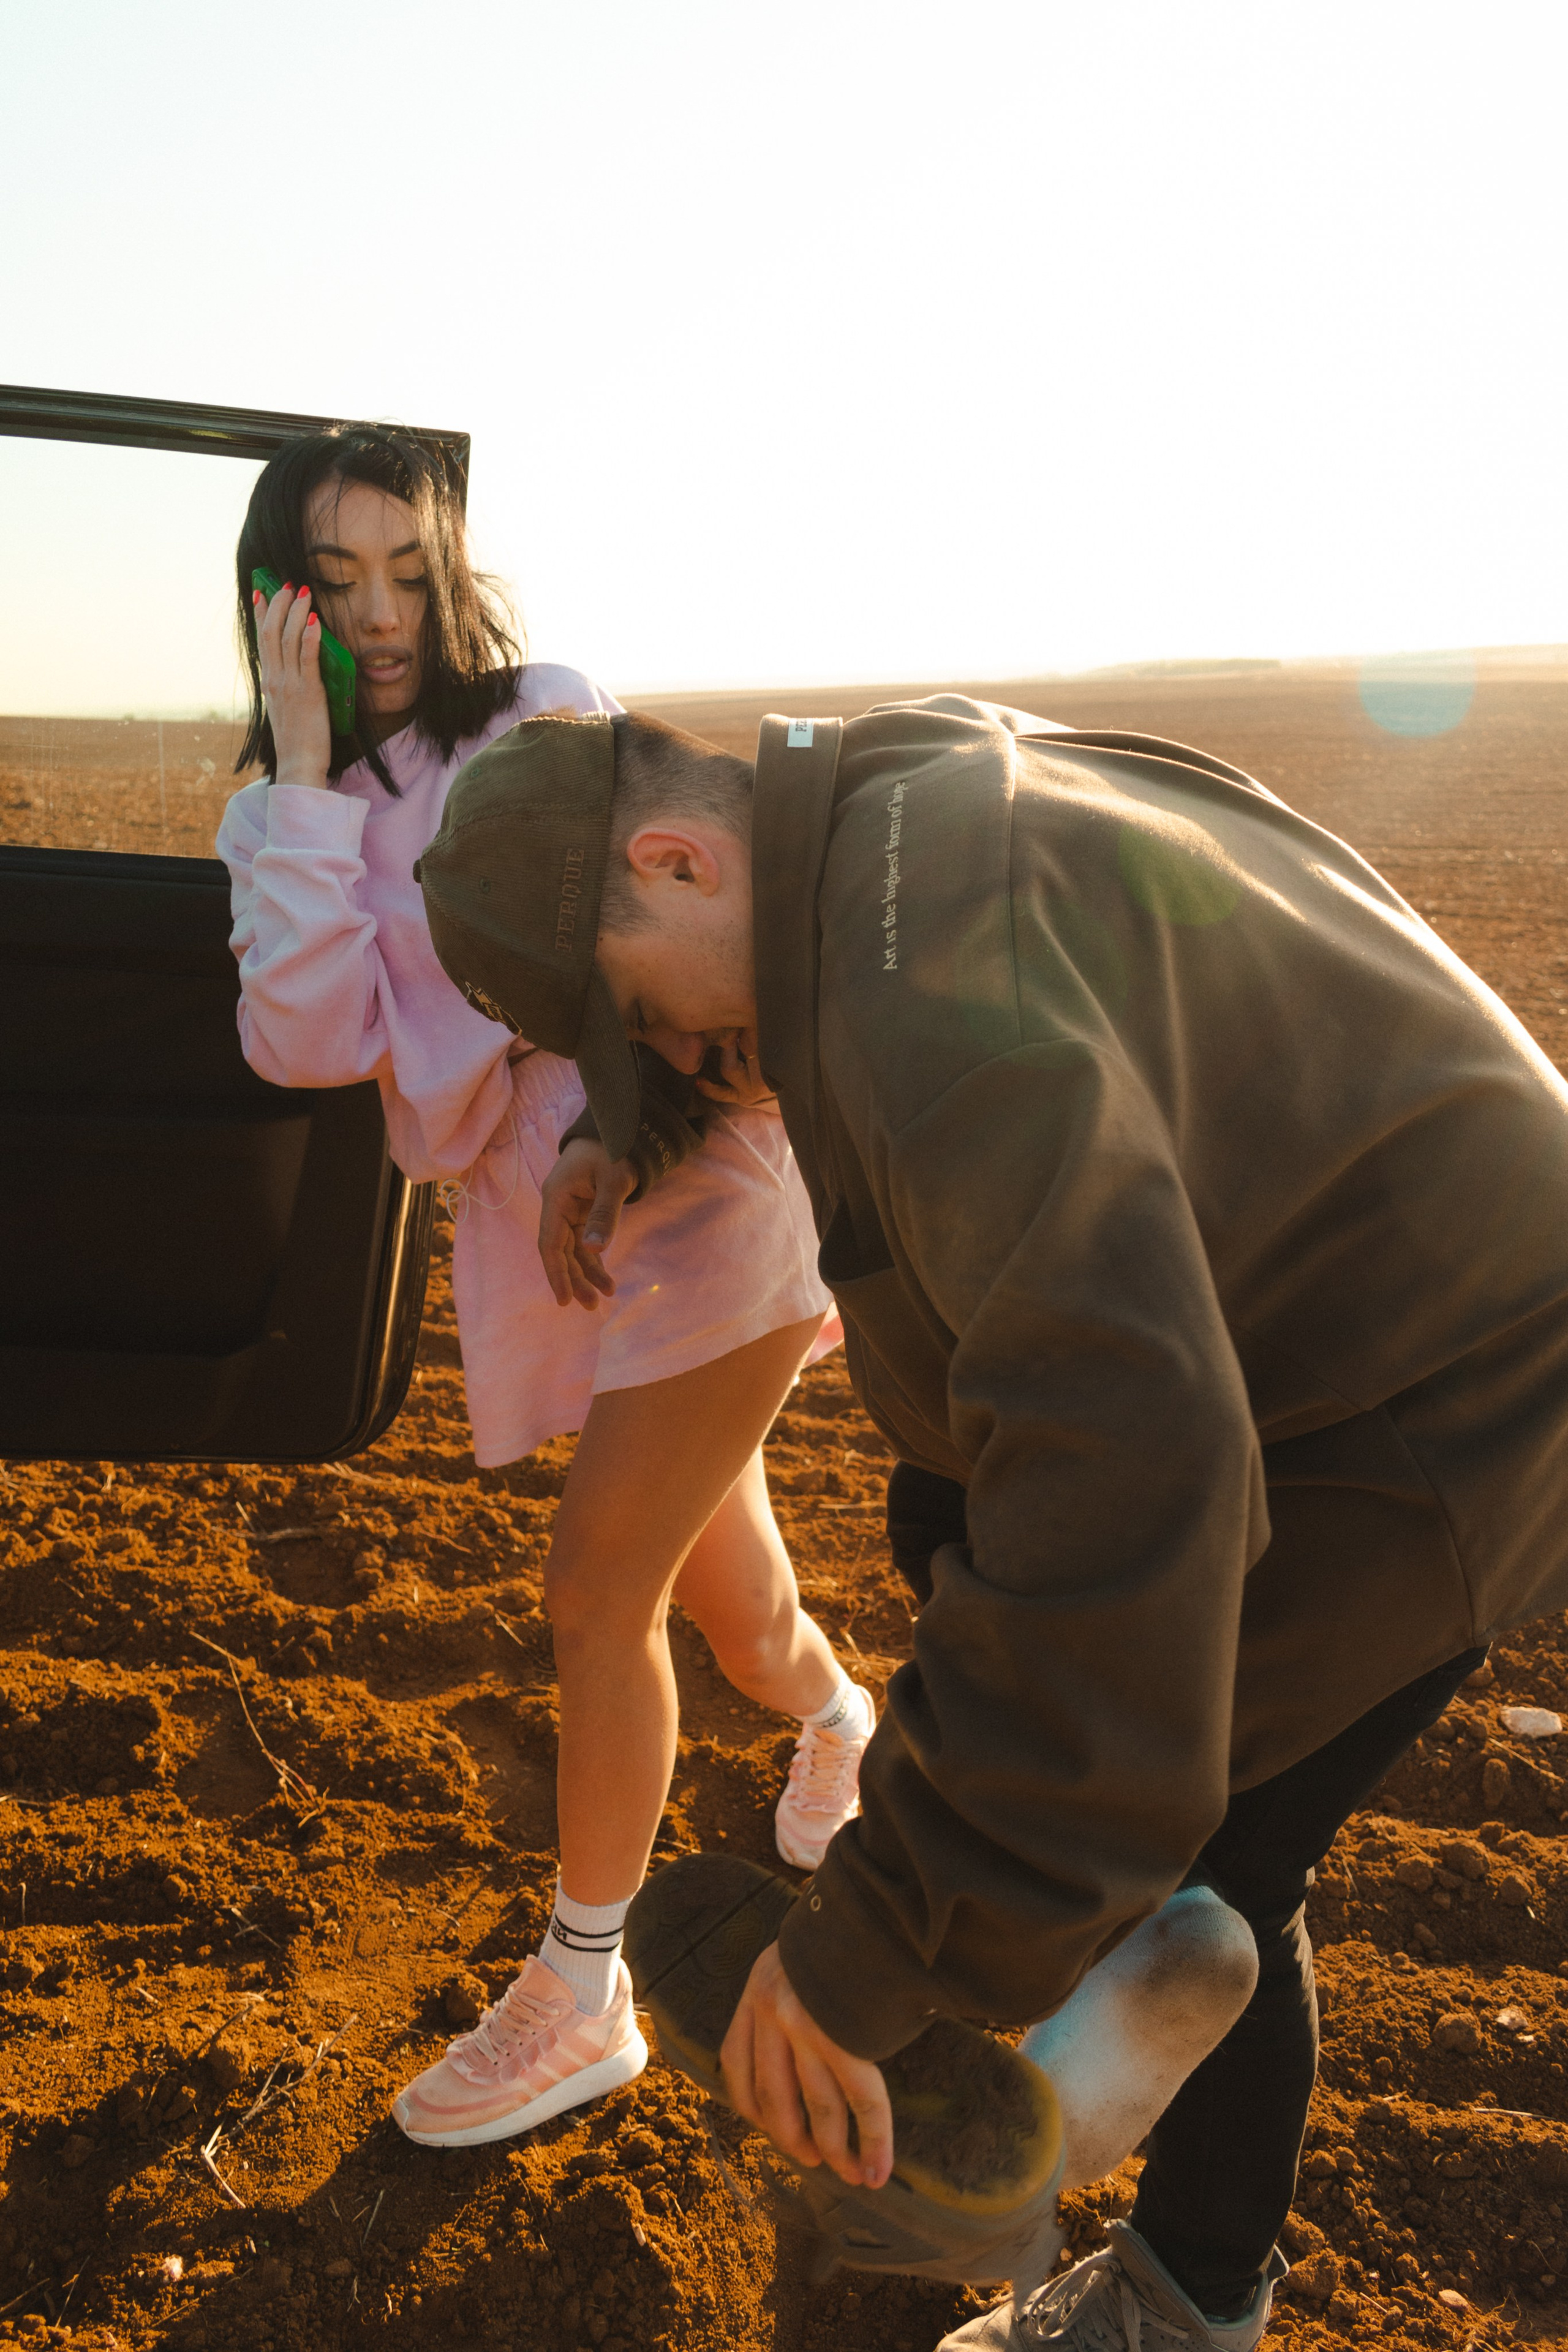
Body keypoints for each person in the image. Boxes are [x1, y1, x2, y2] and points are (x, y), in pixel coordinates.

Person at [415, 695, 1568, 2351]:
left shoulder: (926, 1007)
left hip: (1436, 1406)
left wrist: (867, 1951)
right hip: (1385, 1298)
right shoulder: (904, 789)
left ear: (673, 858)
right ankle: (1143, 2054)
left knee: (1194, 1827)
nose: (672, 1061)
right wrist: (620, 1119)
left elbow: (1121, 1495)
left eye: (642, 1020)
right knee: (972, 1544)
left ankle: (1138, 2219)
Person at [214, 426, 876, 2150]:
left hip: (685, 1170)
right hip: (540, 1242)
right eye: (336, 581)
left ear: (451, 569)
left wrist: (617, 1132)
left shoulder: (541, 713)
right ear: (278, 597)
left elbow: (677, 962)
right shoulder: (285, 812)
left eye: (409, 574)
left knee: (597, 1596)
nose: (381, 616)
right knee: (725, 1611)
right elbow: (303, 1038)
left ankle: (585, 1991)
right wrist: (300, 766)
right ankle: (836, 1716)